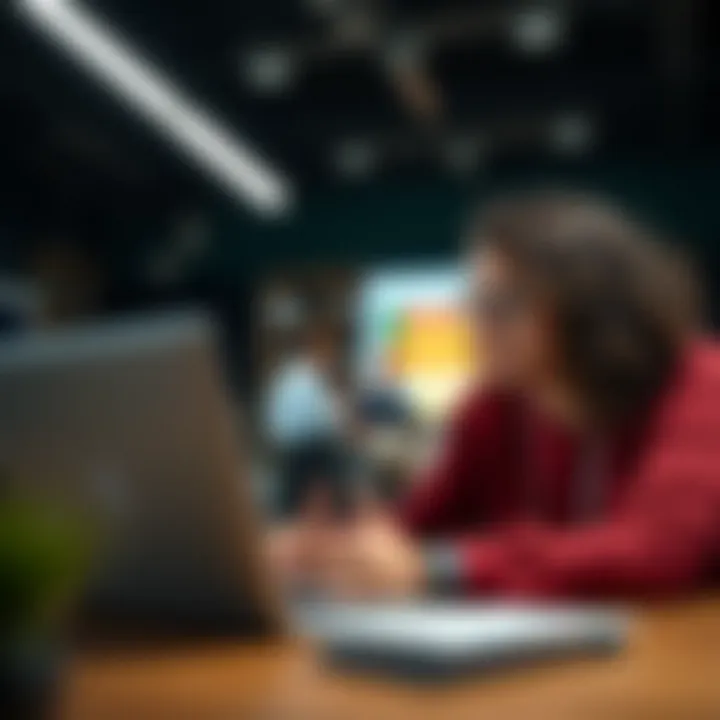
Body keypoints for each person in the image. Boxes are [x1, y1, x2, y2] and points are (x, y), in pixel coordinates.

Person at [271, 191, 720, 600]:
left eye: (497, 305)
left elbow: (654, 551)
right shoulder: (494, 409)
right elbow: (416, 527)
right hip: (561, 667)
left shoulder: (700, 384)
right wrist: (336, 550)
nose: (474, 325)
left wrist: (445, 569)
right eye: (473, 303)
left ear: (586, 309)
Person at [264, 321, 350, 518]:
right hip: (310, 445)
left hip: (288, 446)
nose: (330, 356)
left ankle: (290, 515)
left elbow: (273, 417)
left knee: (290, 495)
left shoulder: (286, 375)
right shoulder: (312, 376)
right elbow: (327, 418)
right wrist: (343, 431)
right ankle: (337, 515)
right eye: (327, 350)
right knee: (339, 476)